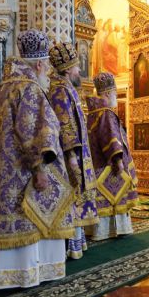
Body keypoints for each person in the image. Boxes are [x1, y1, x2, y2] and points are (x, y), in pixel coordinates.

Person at [0, 29, 76, 289]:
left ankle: (6, 274)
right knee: (38, 212)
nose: (48, 72)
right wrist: (40, 169)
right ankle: (33, 270)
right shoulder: (30, 88)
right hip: (24, 173)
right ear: (39, 65)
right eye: (46, 66)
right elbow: (34, 132)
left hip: (4, 173)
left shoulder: (4, 88)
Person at [48, 42, 99, 259]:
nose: (80, 70)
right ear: (68, 69)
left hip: (78, 154)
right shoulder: (60, 90)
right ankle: (69, 245)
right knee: (72, 197)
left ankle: (76, 243)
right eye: (77, 67)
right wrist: (71, 157)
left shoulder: (67, 87)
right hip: (70, 156)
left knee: (78, 198)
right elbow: (64, 124)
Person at [85, 72, 138, 240]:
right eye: (115, 93)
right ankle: (114, 229)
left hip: (96, 165)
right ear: (107, 94)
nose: (116, 96)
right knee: (113, 195)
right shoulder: (106, 112)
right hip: (108, 166)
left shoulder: (92, 112)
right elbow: (111, 136)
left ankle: (98, 230)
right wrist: (118, 159)